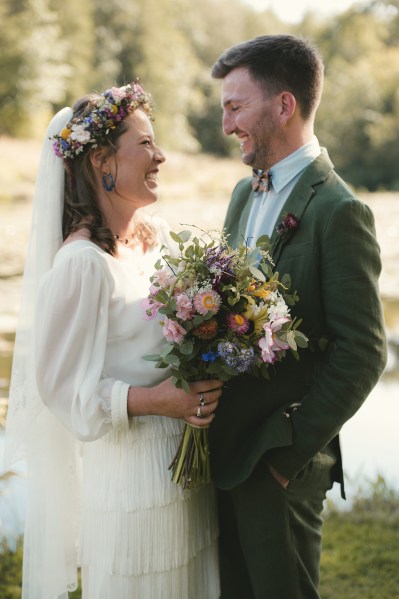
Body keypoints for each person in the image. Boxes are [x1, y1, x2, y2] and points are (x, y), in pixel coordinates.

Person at [4, 81, 222, 598]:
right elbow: (64, 391)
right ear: (103, 160)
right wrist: (161, 401)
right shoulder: (81, 265)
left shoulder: (158, 238)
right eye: (145, 144)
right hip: (130, 477)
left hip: (187, 467)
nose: (161, 155)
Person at [208, 34, 387, 599]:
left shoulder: (340, 211)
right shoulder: (242, 195)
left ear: (284, 105)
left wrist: (283, 458)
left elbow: (364, 353)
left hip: (280, 465)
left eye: (235, 107)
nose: (226, 124)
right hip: (226, 447)